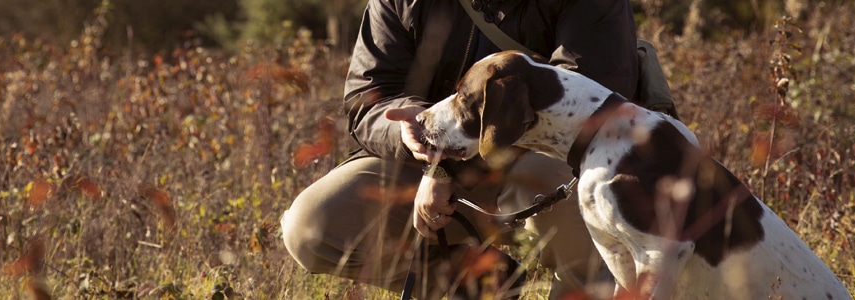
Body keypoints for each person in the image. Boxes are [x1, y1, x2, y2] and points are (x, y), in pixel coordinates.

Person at [281, 0, 673, 298]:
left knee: (561, 192)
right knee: (311, 226)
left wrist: (446, 171)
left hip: (549, 158)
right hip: (422, 159)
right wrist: (410, 134)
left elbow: (585, 96)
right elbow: (367, 97)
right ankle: (488, 283)